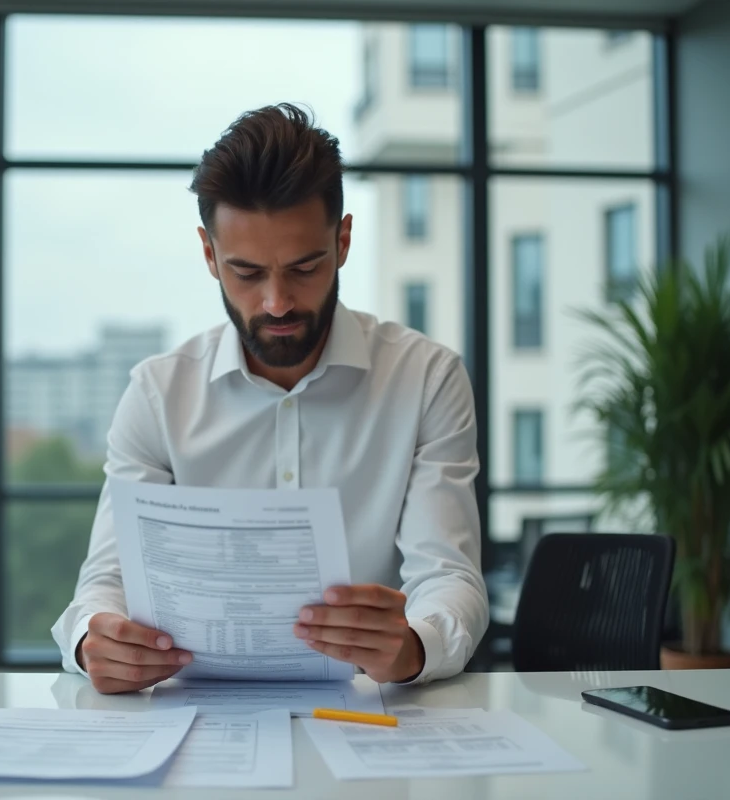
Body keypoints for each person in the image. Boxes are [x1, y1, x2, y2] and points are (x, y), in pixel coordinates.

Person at [51, 103, 488, 694]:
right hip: (198, 728)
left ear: (343, 240)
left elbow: (450, 577)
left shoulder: (427, 379)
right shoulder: (157, 394)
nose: (277, 301)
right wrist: (91, 640)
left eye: (304, 268)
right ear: (210, 255)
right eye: (248, 273)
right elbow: (106, 581)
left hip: (370, 716)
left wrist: (415, 644)